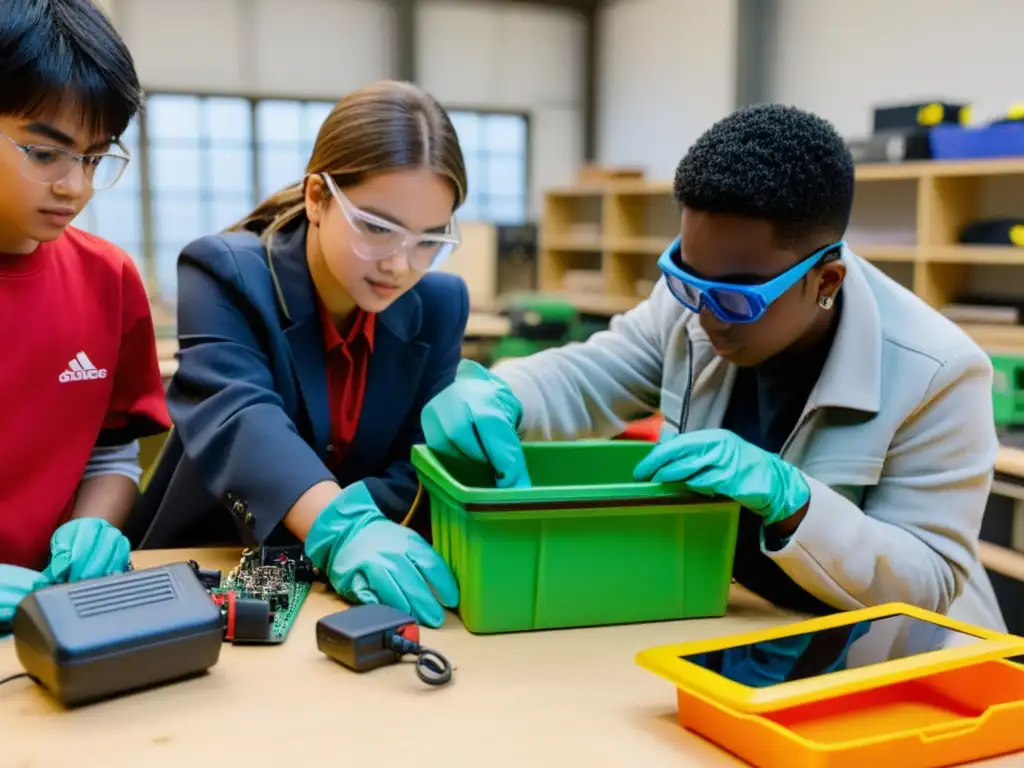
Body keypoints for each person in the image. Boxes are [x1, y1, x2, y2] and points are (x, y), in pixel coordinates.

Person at [422, 104, 1006, 631]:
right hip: (741, 622)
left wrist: (795, 501)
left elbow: (928, 583)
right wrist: (504, 394)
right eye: (687, 277)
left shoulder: (941, 372)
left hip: (880, 663)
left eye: (737, 296)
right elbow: (589, 375)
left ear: (825, 280)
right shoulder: (696, 304)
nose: (705, 316)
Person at [139, 81, 469, 629]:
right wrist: (341, 527)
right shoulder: (224, 271)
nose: (399, 265)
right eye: (376, 228)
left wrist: (346, 531)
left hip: (343, 585)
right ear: (317, 198)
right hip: (207, 565)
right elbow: (240, 417)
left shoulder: (439, 304)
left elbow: (420, 461)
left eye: (429, 239)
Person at [0, 0, 171, 628]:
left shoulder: (109, 280)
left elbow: (110, 454)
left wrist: (93, 526)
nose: (76, 186)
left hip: (55, 617)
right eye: (46, 154)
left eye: (96, 157)